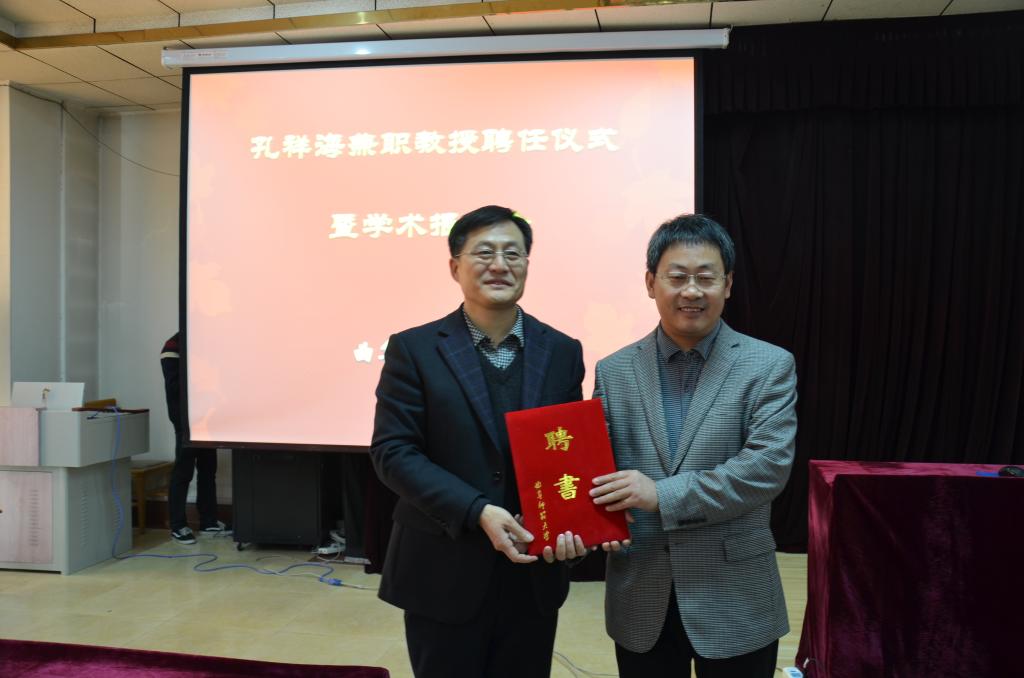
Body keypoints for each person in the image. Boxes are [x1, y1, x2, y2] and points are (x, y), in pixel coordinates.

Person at [370, 205, 587, 678]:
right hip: (442, 568)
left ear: (527, 264)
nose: (499, 265)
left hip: (532, 570)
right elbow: (393, 453)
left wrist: (570, 521)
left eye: (513, 253)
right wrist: (477, 510)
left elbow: (564, 452)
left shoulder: (562, 351)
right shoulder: (414, 349)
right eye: (484, 253)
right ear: (455, 267)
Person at [589, 214, 797, 678]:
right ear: (650, 283)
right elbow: (597, 467)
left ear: (728, 284)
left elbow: (766, 469)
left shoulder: (769, 365)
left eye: (706, 278)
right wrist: (587, 520)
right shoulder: (613, 370)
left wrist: (659, 495)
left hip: (735, 595)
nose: (692, 291)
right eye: (677, 276)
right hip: (641, 591)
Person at [161, 332, 227, 544]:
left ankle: (208, 520)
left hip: (207, 418)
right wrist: (204, 388)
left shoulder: (203, 343)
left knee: (208, 469)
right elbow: (175, 388)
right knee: (184, 471)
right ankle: (178, 525)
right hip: (186, 420)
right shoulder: (173, 346)